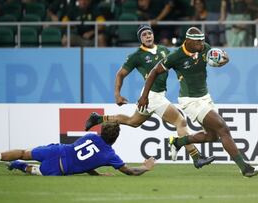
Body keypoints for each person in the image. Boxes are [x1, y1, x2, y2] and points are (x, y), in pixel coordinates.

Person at [137, 27, 258, 177]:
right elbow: (154, 72)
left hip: (205, 97)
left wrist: (224, 59)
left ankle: (177, 142)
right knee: (223, 128)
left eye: (203, 40)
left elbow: (222, 58)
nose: (202, 43)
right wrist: (144, 96)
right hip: (190, 100)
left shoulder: (205, 48)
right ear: (188, 41)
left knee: (212, 136)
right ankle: (245, 168)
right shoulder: (176, 56)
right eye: (198, 41)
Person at [85, 24, 215, 169]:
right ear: (140, 39)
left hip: (155, 95)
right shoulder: (136, 56)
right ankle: (196, 157)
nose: (147, 36)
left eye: (149, 33)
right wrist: (117, 94)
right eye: (144, 35)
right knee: (181, 122)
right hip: (152, 96)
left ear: (153, 35)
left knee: (133, 121)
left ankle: (98, 118)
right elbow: (120, 74)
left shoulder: (163, 50)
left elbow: (176, 63)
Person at [0, 123, 155, 176]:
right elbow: (129, 171)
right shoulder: (110, 155)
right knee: (30, 169)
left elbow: (85, 157)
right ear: (116, 138)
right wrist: (145, 168)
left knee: (24, 151)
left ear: (101, 131)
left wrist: (95, 174)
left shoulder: (91, 136)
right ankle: (18, 165)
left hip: (56, 151)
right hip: (58, 169)